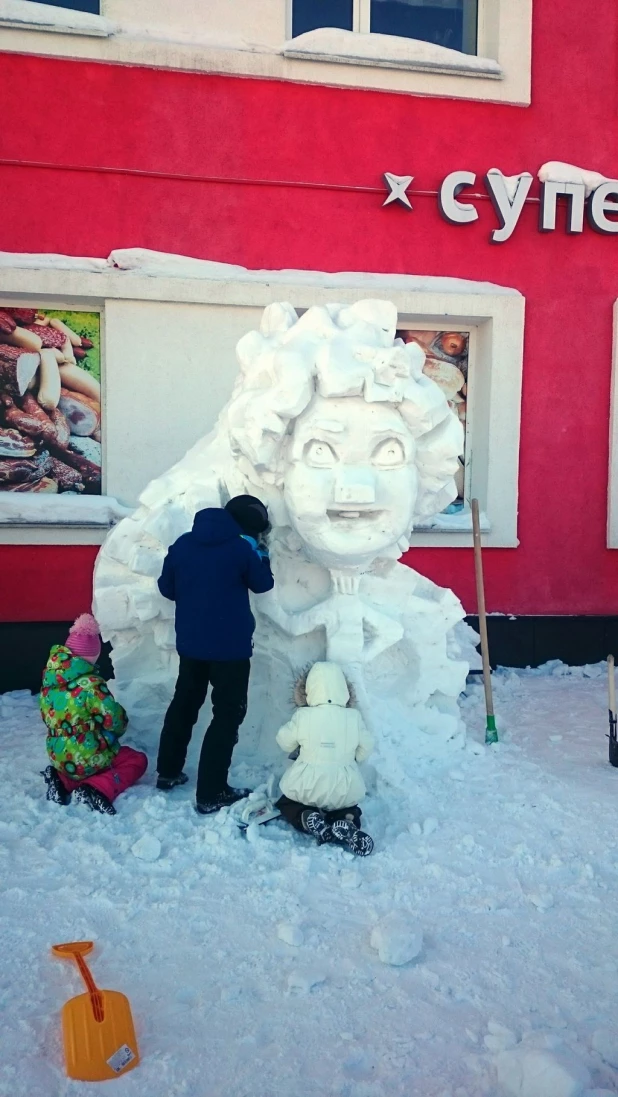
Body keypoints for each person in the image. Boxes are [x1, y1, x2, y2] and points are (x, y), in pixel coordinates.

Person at [156, 495, 274, 814]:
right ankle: (211, 791)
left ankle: (167, 771)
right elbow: (263, 585)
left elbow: (166, 588)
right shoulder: (240, 549)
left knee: (185, 702)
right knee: (227, 714)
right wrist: (261, 553)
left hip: (192, 645)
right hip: (230, 650)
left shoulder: (182, 544)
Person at [40, 614, 147, 815]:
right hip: (87, 755)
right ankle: (96, 788)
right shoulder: (91, 685)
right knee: (136, 760)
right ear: (91, 657)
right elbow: (113, 718)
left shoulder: (50, 683)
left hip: (58, 755)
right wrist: (118, 728)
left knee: (80, 760)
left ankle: (61, 779)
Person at [275, 661, 374, 856]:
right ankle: (347, 820)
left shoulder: (303, 715)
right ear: (344, 690)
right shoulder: (353, 717)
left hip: (306, 784)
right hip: (344, 785)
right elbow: (367, 745)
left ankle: (307, 817)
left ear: (309, 689)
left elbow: (284, 741)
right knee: (350, 806)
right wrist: (354, 757)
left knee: (287, 803)